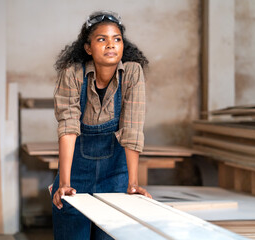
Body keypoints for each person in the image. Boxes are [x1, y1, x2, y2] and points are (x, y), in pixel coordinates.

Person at [52, 10, 152, 240]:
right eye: (102, 39)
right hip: (76, 177)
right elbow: (68, 127)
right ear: (88, 48)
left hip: (115, 177)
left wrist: (133, 183)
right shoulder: (73, 74)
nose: (111, 45)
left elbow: (132, 129)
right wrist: (64, 183)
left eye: (117, 39)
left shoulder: (132, 73)